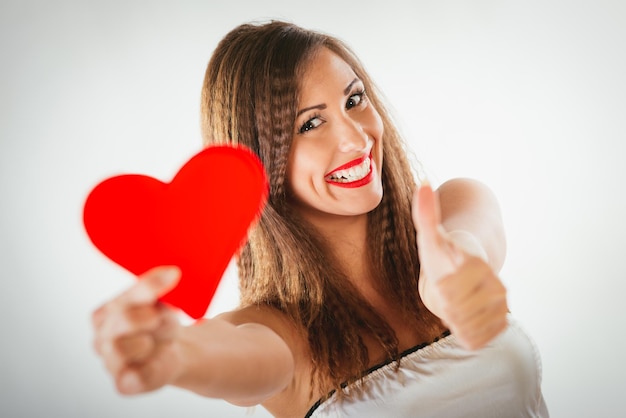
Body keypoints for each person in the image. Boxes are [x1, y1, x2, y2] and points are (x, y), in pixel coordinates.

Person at [91, 20, 548, 417]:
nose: (356, 137)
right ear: (260, 162)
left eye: (354, 100)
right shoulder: (274, 333)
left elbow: (469, 239)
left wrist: (452, 274)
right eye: (309, 124)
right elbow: (228, 354)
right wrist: (176, 355)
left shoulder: (457, 205)